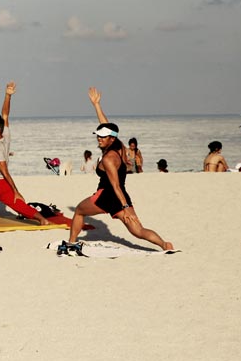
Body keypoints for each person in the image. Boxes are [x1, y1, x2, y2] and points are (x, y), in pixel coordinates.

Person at [60, 87, 173, 254]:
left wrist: (126, 207)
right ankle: (165, 245)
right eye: (98, 136)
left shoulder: (108, 159)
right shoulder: (119, 146)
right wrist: (97, 105)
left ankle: (71, 243)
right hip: (121, 197)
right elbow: (106, 126)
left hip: (107, 196)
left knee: (79, 210)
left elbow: (115, 185)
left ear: (110, 139)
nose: (99, 139)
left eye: (102, 137)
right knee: (138, 231)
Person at [0, 82, 50, 225]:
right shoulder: (5, 137)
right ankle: (41, 219)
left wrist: (16, 190)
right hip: (2, 186)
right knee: (18, 205)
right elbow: (5, 115)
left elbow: (4, 170)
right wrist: (8, 96)